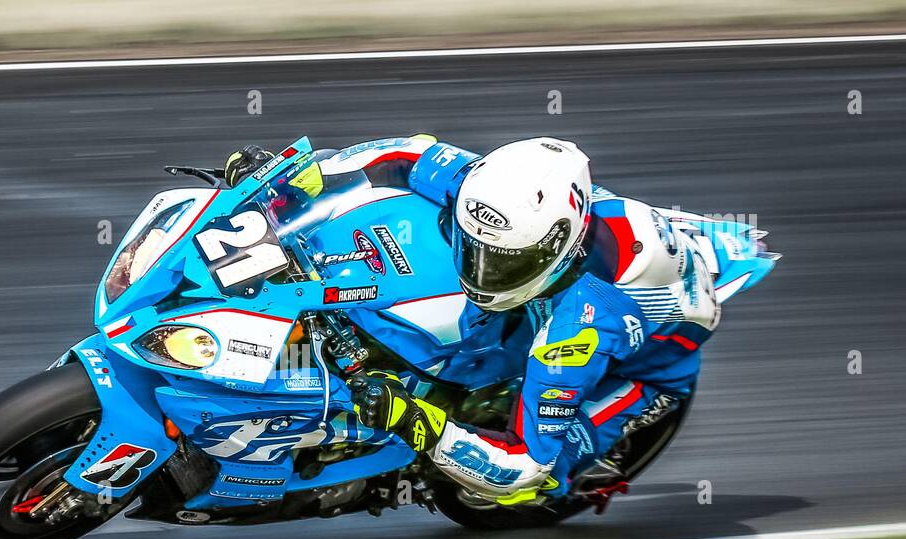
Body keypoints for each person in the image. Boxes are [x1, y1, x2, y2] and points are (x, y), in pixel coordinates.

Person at [227, 136, 723, 505]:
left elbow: (525, 465)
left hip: (642, 370)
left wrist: (413, 420)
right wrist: (290, 178)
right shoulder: (485, 187)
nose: (482, 271)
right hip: (570, 287)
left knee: (543, 482)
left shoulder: (581, 327)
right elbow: (398, 157)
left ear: (554, 249)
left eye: (503, 261)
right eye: (475, 248)